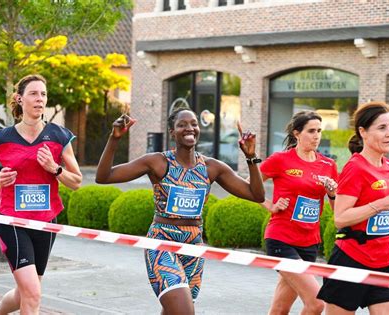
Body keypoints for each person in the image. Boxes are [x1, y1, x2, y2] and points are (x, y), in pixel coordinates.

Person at [96, 107, 265, 315]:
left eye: (194, 124)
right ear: (172, 132)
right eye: (182, 125)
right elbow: (104, 176)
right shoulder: (157, 162)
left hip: (194, 248)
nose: (190, 128)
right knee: (184, 311)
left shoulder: (211, 167)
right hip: (162, 243)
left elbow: (257, 195)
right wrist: (114, 139)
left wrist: (251, 157)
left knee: (173, 311)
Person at [0, 74, 82, 315]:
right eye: (33, 93)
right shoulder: (4, 137)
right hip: (11, 219)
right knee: (32, 293)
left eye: (43, 94)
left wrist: (55, 169)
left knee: (27, 292)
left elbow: (76, 182)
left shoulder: (59, 136)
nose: (40, 99)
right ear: (19, 99)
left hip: (45, 221)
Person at [317, 101, 389, 314]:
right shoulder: (355, 168)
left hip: (386, 261)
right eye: (382, 128)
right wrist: (381, 205)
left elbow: (381, 203)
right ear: (363, 132)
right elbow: (341, 217)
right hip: (352, 261)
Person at [259, 111, 338, 315]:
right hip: (281, 238)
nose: (316, 136)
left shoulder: (329, 165)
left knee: (279, 308)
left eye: (319, 131)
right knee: (317, 303)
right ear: (297, 133)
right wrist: (269, 205)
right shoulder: (281, 160)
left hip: (309, 242)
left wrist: (332, 194)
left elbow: (337, 211)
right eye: (311, 131)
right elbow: (251, 185)